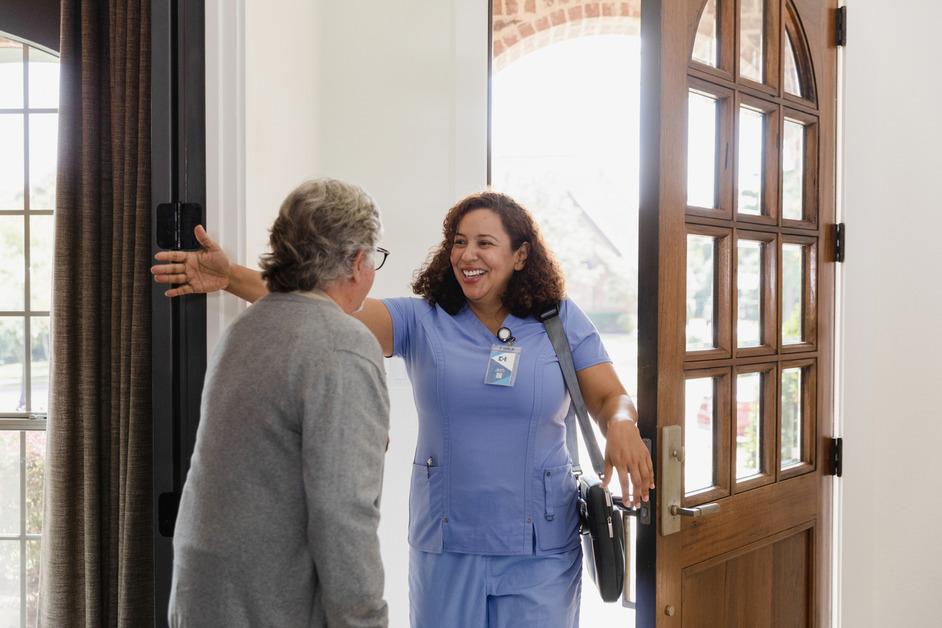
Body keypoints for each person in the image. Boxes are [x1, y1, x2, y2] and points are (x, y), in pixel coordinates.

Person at [154, 191, 654, 628]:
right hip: (447, 545)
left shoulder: (558, 319)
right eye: (458, 241)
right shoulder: (422, 319)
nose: (467, 254)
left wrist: (623, 424)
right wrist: (229, 277)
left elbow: (610, 396)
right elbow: (321, 306)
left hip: (541, 546)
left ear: (521, 255)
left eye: (484, 242)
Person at [167, 178, 390, 628]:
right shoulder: (343, 345)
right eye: (375, 260)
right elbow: (344, 515)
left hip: (201, 593)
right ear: (356, 262)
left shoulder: (248, 330)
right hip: (269, 604)